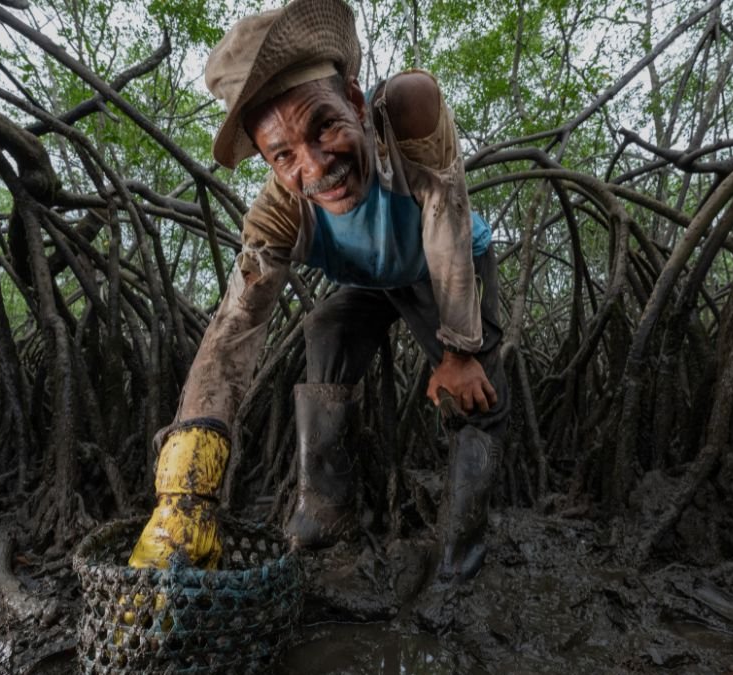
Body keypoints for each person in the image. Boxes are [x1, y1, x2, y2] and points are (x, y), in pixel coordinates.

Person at [128, 0, 508, 582]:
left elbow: (447, 212)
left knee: (473, 397)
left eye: (324, 126)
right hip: (373, 282)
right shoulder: (277, 215)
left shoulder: (406, 114)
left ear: (354, 103)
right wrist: (185, 490)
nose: (314, 166)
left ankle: (460, 569)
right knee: (325, 326)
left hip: (446, 269)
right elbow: (233, 331)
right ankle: (328, 519)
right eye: (283, 155)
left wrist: (458, 350)